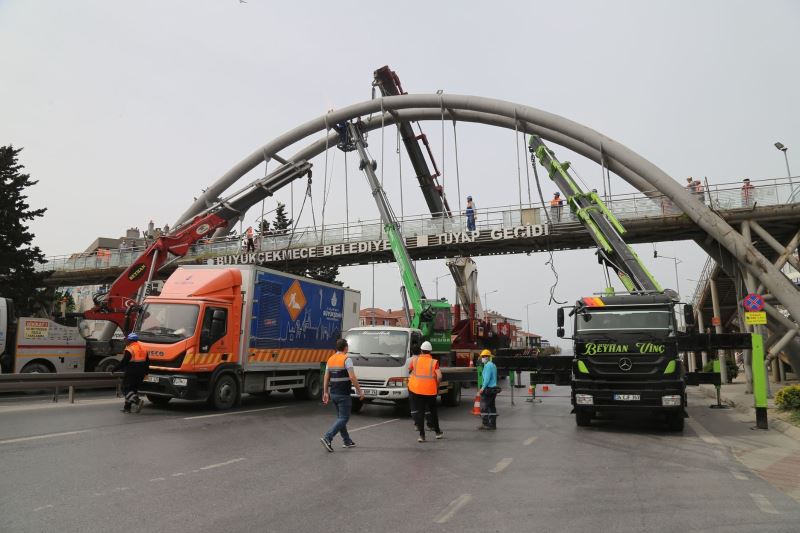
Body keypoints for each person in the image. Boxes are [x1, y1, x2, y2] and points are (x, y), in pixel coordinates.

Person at [320, 338, 364, 452]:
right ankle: (327, 437)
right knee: (344, 418)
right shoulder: (346, 359)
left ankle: (347, 441)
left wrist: (325, 392)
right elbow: (352, 377)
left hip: (333, 393)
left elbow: (326, 377)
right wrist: (360, 391)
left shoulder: (330, 359)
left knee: (341, 418)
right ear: (346, 348)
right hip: (343, 394)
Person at [408, 341, 443, 442]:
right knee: (433, 412)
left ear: (421, 351)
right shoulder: (434, 362)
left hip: (417, 390)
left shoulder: (415, 360)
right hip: (430, 391)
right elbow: (439, 376)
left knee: (420, 412)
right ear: (430, 351)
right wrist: (437, 385)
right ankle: (437, 432)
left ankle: (421, 436)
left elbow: (410, 370)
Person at [117, 332, 149, 413]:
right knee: (132, 390)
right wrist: (146, 373)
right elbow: (148, 362)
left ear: (130, 340)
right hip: (141, 373)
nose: (126, 341)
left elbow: (124, 362)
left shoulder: (130, 349)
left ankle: (137, 401)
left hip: (131, 372)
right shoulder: (144, 349)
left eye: (127, 339)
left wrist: (114, 369)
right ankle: (127, 408)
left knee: (125, 389)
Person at [478, 349, 498, 430]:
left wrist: (482, 388)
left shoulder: (488, 366)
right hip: (493, 389)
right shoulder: (493, 365)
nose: (483, 358)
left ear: (488, 357)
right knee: (492, 407)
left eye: (484, 356)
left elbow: (487, 378)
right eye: (482, 356)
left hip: (488, 389)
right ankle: (493, 424)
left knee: (484, 407)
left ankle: (485, 424)